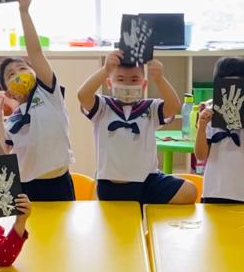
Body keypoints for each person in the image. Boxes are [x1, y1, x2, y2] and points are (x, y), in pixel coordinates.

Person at [77, 51, 198, 205]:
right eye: (120, 79)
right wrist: (105, 69)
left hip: (148, 181)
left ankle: (150, 214)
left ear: (144, 84)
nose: (127, 84)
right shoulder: (102, 107)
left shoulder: (150, 107)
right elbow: (83, 95)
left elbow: (174, 107)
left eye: (134, 80)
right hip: (111, 184)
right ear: (109, 83)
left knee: (190, 191)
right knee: (122, 217)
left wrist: (160, 79)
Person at [0, 0, 75, 201]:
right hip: (27, 186)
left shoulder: (48, 93)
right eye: (11, 74)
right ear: (8, 91)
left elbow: (35, 52)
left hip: (58, 182)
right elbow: (9, 149)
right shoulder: (14, 118)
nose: (18, 74)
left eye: (22, 68)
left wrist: (24, 11)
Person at [193, 57, 244, 204]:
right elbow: (201, 155)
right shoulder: (210, 115)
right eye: (224, 86)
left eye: (236, 85)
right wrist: (201, 127)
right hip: (214, 191)